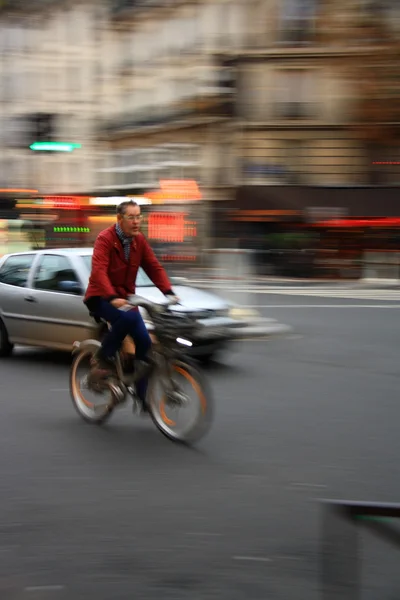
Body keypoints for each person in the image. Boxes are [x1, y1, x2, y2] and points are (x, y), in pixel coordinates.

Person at [84, 200, 178, 408]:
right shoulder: (105, 239)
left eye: (139, 217)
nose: (136, 222)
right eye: (131, 217)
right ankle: (103, 357)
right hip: (100, 296)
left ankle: (142, 397)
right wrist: (110, 297)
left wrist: (168, 291)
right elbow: (99, 271)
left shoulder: (139, 241)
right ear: (120, 219)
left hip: (125, 298)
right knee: (126, 318)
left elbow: (153, 267)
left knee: (144, 342)